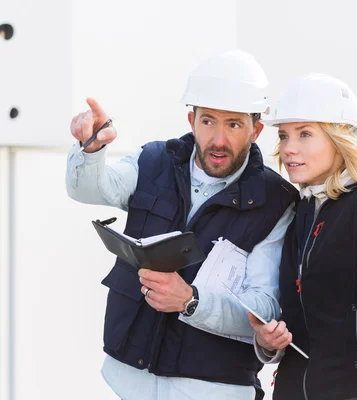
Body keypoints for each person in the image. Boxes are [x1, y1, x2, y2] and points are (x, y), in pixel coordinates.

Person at [66, 49, 298, 400]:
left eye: (233, 124)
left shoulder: (276, 201)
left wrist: (191, 301)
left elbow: (262, 308)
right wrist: (91, 149)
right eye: (208, 122)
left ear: (256, 130)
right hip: (128, 382)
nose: (218, 140)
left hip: (213, 389)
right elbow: (91, 189)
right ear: (192, 121)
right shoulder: (156, 159)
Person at [250, 74, 357, 400]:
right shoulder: (299, 210)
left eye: (305, 134)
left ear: (339, 139)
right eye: (284, 135)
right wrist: (266, 344)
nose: (288, 148)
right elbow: (300, 319)